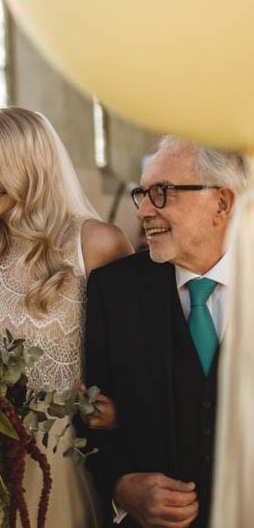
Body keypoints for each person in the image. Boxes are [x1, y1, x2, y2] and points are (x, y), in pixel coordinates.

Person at [0, 106, 133, 527]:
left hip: (64, 457)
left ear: (32, 166)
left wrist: (120, 410)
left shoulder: (96, 243)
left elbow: (137, 352)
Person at [82, 137, 245, 527]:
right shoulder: (114, 291)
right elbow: (89, 418)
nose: (142, 211)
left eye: (162, 193)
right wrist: (122, 485)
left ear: (221, 203)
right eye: (142, 194)